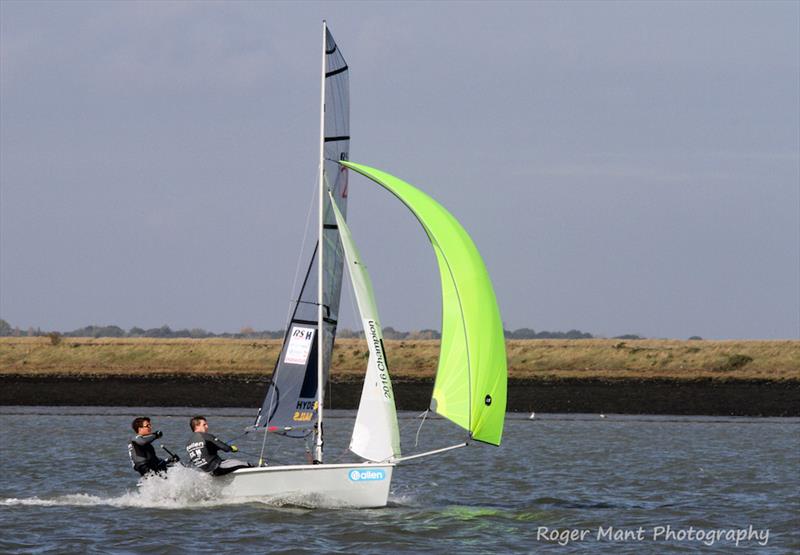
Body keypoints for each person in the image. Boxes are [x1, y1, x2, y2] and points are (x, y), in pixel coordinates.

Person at [185, 416, 251, 476]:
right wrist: (231, 448)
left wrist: (216, 448)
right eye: (204, 425)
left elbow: (203, 453)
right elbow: (225, 448)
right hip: (217, 468)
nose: (207, 427)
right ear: (196, 426)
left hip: (206, 471)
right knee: (246, 464)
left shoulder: (188, 443)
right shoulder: (206, 436)